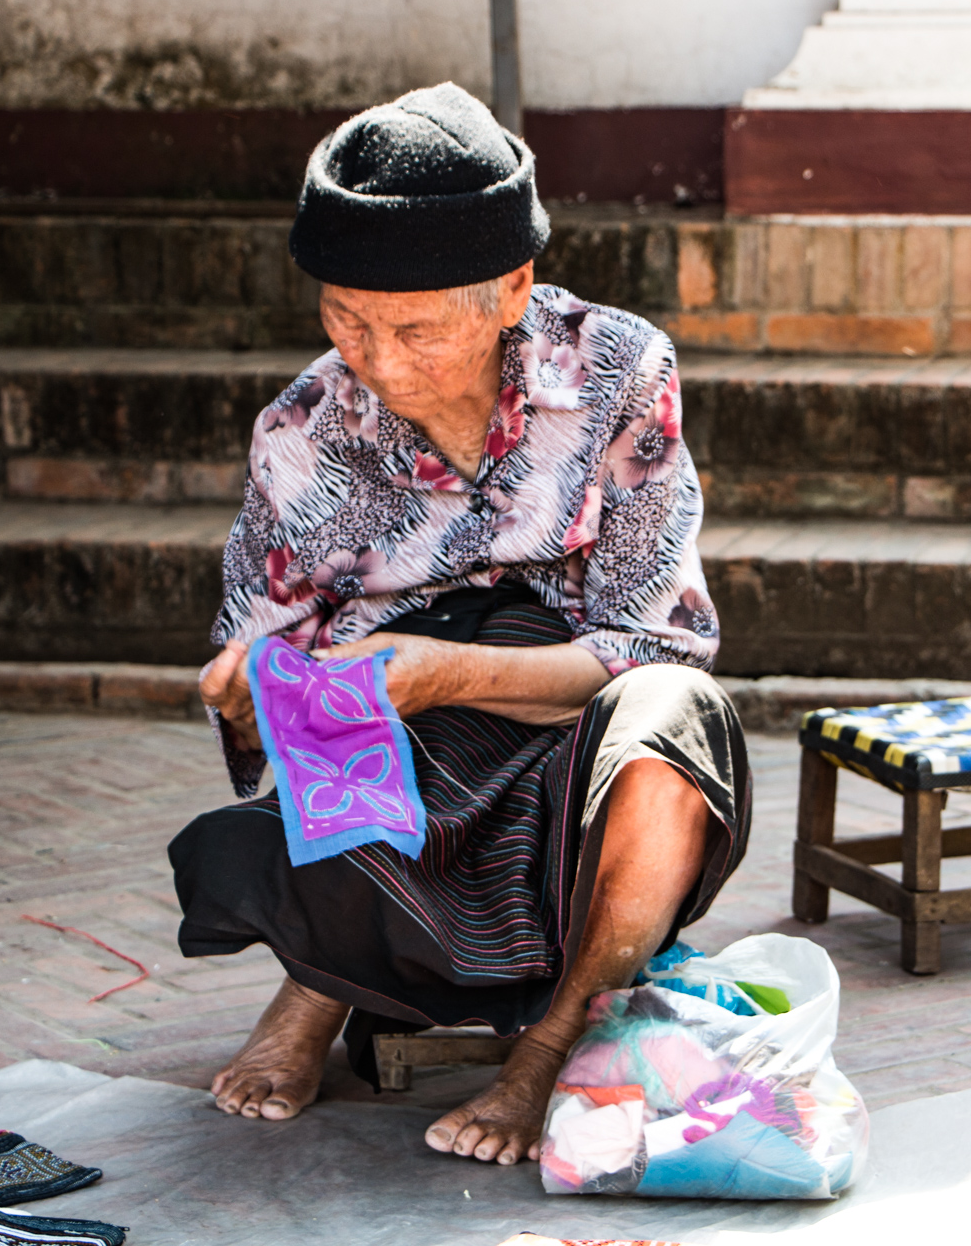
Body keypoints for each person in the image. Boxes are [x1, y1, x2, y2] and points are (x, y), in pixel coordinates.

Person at [167, 82, 751, 1168]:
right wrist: (247, 679)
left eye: (414, 327)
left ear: (511, 287)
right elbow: (265, 633)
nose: (378, 360)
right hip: (408, 753)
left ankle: (548, 1047)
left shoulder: (620, 371)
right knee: (328, 724)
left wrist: (444, 668)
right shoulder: (305, 425)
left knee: (678, 723)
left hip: (579, 721)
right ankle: (318, 988)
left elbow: (654, 640)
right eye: (346, 317)